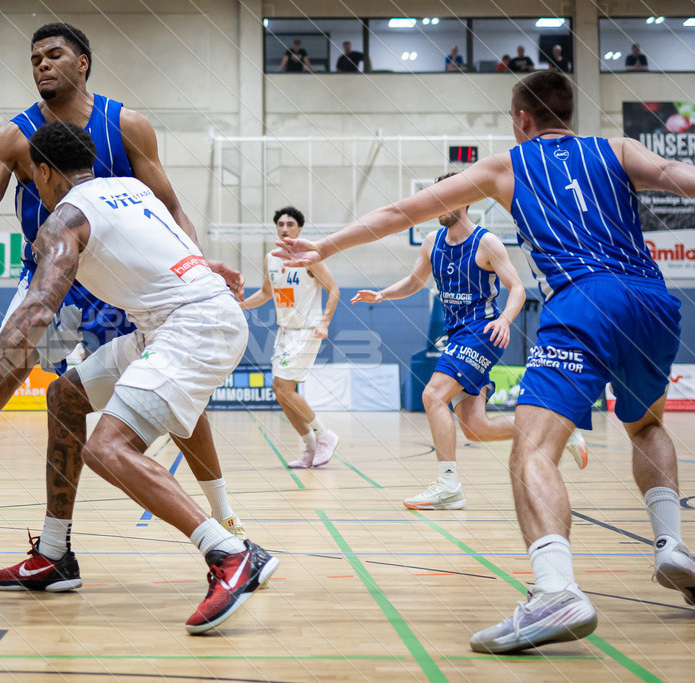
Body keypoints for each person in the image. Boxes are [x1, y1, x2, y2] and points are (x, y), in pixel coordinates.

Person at [273, 70, 695, 653]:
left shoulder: (505, 166)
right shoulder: (617, 149)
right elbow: (682, 179)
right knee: (646, 423)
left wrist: (326, 246)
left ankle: (554, 591)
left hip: (584, 299)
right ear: (567, 112)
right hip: (653, 302)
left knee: (531, 447)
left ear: (522, 119)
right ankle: (672, 545)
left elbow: (401, 210)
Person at [0, 23, 247, 583]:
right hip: (50, 284)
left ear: (83, 62)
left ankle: (225, 517)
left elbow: (170, 207)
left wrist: (195, 262)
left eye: (54, 54)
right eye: (34, 57)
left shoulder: (128, 125)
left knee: (174, 394)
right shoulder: (12, 138)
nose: (41, 64)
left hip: (126, 287)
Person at [0, 120, 278, 633]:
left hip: (190, 326)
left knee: (108, 448)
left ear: (41, 172)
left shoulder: (63, 221)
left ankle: (229, 553)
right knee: (65, 397)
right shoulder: (130, 188)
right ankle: (56, 554)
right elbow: (164, 244)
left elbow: (38, 308)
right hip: (181, 320)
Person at [351, 173, 586, 510]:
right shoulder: (433, 241)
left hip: (483, 331)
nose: (434, 207)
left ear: (462, 200)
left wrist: (505, 319)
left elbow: (517, 288)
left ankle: (448, 485)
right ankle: (557, 426)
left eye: (441, 198)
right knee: (476, 429)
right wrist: (382, 294)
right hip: (458, 336)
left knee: (432, 395)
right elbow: (415, 282)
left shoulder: (486, 242)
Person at [240, 206, 340, 469]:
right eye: (281, 224)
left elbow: (334, 290)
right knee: (280, 392)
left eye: (290, 224)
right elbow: (265, 292)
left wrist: (325, 322)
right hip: (285, 331)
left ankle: (325, 435)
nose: (285, 228)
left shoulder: (310, 257)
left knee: (284, 388)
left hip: (308, 330)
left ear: (299, 229)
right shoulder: (271, 257)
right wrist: (239, 306)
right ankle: (310, 447)